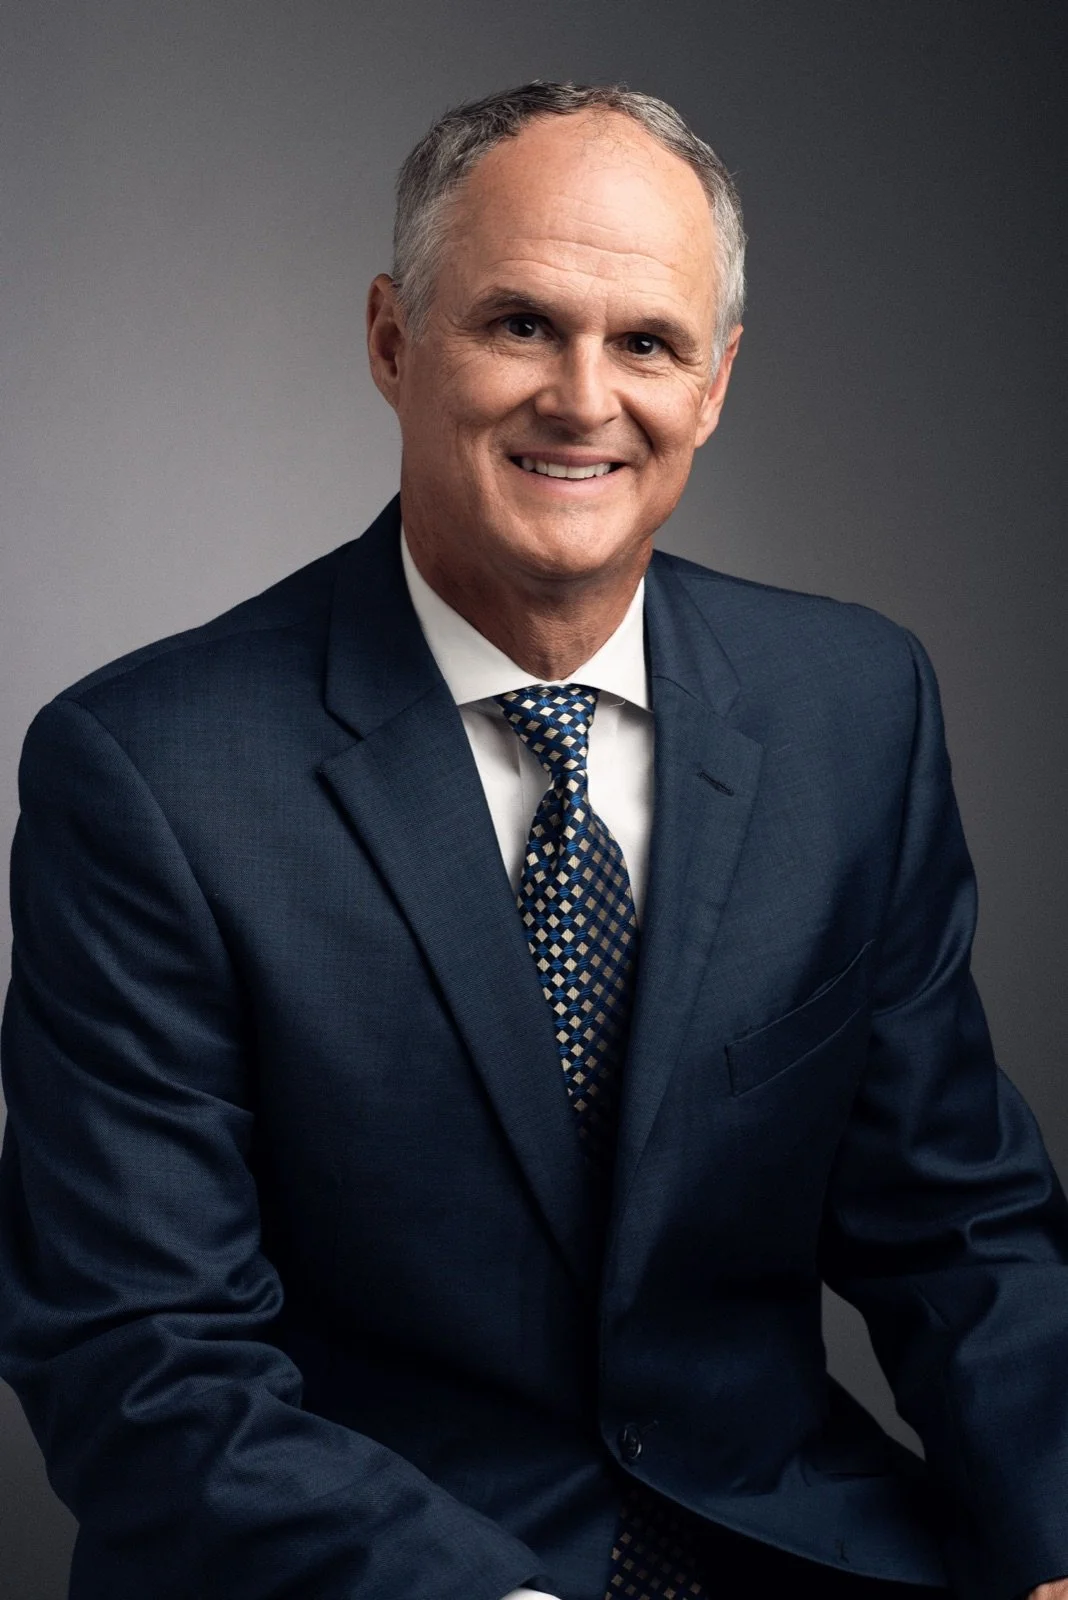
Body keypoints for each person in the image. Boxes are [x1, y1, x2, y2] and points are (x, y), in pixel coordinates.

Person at [1, 79, 1066, 1600]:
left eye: (646, 342)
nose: (585, 397)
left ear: (716, 383)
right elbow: (141, 1362)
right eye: (519, 324)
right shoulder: (150, 773)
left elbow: (962, 1224)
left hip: (785, 1540)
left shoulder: (852, 705)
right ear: (391, 340)